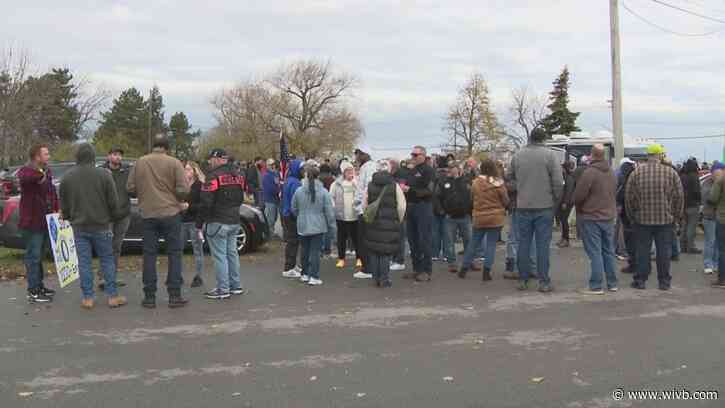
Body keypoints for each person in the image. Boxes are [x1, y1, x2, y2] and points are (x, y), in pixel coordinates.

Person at [60, 143, 127, 309]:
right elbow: (113, 201)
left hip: (79, 226)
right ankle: (112, 296)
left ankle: (88, 297)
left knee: (84, 262)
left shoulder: (67, 177)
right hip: (102, 225)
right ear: (93, 157)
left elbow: (64, 203)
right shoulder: (104, 175)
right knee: (107, 260)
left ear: (77, 157)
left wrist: (68, 216)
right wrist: (113, 216)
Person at [127, 134, 190, 309]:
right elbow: (184, 189)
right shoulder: (174, 163)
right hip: (171, 213)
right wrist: (176, 197)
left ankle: (149, 296)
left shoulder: (140, 162)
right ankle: (174, 295)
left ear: (153, 145)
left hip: (148, 213)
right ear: (167, 147)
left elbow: (130, 188)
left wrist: (145, 193)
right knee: (174, 254)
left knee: (149, 255)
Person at [506, 127, 563, 292]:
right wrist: (554, 200)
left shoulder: (517, 155)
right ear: (543, 139)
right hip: (544, 206)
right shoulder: (550, 155)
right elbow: (558, 182)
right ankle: (544, 282)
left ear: (530, 138)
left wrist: (521, 188)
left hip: (523, 206)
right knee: (543, 246)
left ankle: (523, 280)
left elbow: (508, 179)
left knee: (523, 244)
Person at [625, 144, 684, 290]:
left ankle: (640, 280)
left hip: (642, 220)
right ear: (660, 156)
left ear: (648, 156)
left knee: (642, 251)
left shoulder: (636, 173)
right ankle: (664, 282)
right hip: (665, 220)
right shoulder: (671, 173)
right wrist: (676, 217)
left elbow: (629, 198)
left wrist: (633, 216)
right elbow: (679, 197)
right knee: (663, 251)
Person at [197, 149, 246, 300]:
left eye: (211, 159)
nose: (209, 162)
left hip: (217, 220)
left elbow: (206, 202)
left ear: (218, 159)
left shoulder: (213, 176)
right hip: (234, 220)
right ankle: (235, 286)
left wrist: (199, 223)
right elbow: (240, 198)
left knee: (220, 257)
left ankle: (222, 289)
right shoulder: (238, 176)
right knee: (232, 254)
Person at [573, 144, 618, 295]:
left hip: (591, 217)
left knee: (595, 252)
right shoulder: (611, 172)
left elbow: (579, 195)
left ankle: (596, 285)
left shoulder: (590, 173)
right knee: (608, 251)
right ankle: (612, 283)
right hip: (608, 216)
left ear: (592, 155)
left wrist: (578, 206)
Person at [18, 144, 59, 303]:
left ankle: (40, 286)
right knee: (33, 256)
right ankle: (33, 291)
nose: (48, 156)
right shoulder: (27, 171)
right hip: (31, 222)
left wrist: (56, 209)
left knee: (39, 256)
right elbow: (25, 177)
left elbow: (51, 193)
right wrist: (40, 175)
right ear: (37, 156)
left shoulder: (46, 171)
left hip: (44, 221)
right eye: (46, 154)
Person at [459, 159, 509, 280]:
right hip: (495, 217)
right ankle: (486, 273)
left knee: (473, 243)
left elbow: (471, 199)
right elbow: (506, 200)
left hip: (479, 217)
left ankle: (463, 269)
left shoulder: (476, 183)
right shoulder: (498, 183)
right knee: (491, 245)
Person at [292, 161, 336, 286]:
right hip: (318, 226)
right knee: (315, 252)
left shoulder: (299, 191)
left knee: (304, 250)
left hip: (302, 224)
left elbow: (294, 208)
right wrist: (332, 229)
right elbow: (329, 212)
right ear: (318, 176)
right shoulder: (323, 192)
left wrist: (300, 216)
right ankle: (314, 276)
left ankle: (305, 274)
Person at [363, 160, 407, 287]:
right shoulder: (394, 186)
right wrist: (398, 219)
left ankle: (375, 278)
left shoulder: (370, 185)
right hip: (390, 223)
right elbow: (401, 206)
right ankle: (384, 279)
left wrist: (368, 216)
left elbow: (365, 204)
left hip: (373, 222)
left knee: (374, 251)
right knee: (385, 252)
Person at [99, 146, 131, 291]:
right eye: (115, 154)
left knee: (117, 247)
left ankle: (112, 276)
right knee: (106, 246)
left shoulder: (126, 171)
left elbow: (132, 189)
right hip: (106, 216)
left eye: (120, 155)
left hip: (123, 214)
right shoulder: (101, 171)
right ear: (108, 156)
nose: (117, 157)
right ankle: (102, 277)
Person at [402, 145, 435, 282]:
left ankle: (426, 270)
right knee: (412, 239)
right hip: (410, 207)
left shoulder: (429, 170)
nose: (413, 157)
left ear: (423, 156)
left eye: (416, 155)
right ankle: (417, 269)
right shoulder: (411, 170)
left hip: (423, 207)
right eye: (412, 154)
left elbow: (429, 191)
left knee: (424, 239)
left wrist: (410, 190)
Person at [438, 162, 472, 274]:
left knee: (469, 240)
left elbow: (472, 196)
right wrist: (442, 210)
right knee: (449, 241)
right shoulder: (443, 182)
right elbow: (438, 197)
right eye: (451, 168)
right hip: (450, 216)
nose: (453, 170)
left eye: (455, 168)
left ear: (459, 169)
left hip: (465, 216)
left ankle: (469, 262)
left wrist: (471, 210)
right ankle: (452, 263)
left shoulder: (467, 180)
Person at [330, 161, 361, 269]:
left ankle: (359, 258)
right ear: (343, 172)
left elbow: (361, 195)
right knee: (341, 238)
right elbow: (331, 197)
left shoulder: (357, 182)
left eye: (351, 171)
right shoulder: (336, 184)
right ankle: (341, 259)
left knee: (357, 238)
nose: (350, 174)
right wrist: (334, 208)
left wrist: (355, 184)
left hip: (355, 215)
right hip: (341, 216)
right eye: (348, 171)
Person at [354, 148, 377, 279]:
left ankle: (367, 268)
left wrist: (360, 204)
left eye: (358, 154)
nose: (356, 158)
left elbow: (367, 188)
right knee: (364, 239)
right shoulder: (365, 167)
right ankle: (368, 266)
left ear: (364, 155)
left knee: (364, 240)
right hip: (364, 209)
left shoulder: (369, 168)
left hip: (366, 210)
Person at [182, 161, 206, 288]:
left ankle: (199, 276)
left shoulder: (199, 185)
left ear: (195, 171)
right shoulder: (183, 185)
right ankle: (177, 275)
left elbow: (203, 205)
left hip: (194, 221)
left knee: (197, 250)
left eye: (188, 169)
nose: (186, 172)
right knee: (177, 248)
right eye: (185, 169)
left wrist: (189, 206)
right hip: (182, 221)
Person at [281, 159, 305, 278]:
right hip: (291, 215)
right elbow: (296, 202)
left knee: (292, 241)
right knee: (293, 241)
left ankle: (291, 265)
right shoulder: (295, 183)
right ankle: (289, 267)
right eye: (301, 169)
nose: (303, 171)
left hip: (287, 214)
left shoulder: (289, 180)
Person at [702, 162, 724, 275]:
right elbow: (708, 198)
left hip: (720, 217)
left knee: (717, 242)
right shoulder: (707, 183)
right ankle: (707, 264)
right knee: (710, 241)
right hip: (709, 216)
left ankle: (715, 264)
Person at [617, 159, 638, 274]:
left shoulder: (626, 183)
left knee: (630, 242)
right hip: (638, 216)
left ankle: (634, 264)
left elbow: (621, 197)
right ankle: (640, 264)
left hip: (628, 216)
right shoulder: (637, 180)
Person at [707, 165, 725, 288]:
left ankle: (722, 280)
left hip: (723, 218)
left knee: (722, 250)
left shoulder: (721, 180)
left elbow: (712, 198)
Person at [679, 158, 702, 254]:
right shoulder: (694, 176)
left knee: (684, 226)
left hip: (684, 204)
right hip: (693, 205)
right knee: (691, 227)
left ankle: (682, 247)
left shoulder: (682, 176)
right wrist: (699, 201)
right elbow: (697, 191)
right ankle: (690, 247)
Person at [391, 159, 410, 271]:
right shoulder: (391, 176)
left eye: (391, 164)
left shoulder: (401, 174)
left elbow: (402, 189)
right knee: (393, 236)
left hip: (401, 210)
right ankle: (394, 259)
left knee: (399, 236)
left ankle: (399, 260)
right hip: (393, 210)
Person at [431, 163, 449, 262]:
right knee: (446, 234)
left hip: (435, 210)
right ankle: (446, 254)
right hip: (446, 211)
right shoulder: (448, 180)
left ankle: (435, 254)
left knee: (435, 233)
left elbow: (433, 196)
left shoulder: (434, 180)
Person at [556, 161, 576, 248]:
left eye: (562, 168)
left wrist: (565, 202)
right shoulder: (566, 177)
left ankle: (566, 239)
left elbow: (568, 191)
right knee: (563, 220)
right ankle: (563, 238)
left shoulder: (569, 178)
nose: (561, 170)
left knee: (564, 221)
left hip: (567, 203)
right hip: (565, 202)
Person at [262, 159, 281, 238]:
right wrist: (279, 190)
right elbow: (270, 188)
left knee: (275, 217)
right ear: (267, 166)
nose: (273, 166)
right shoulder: (266, 175)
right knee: (270, 218)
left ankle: (271, 232)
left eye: (273, 165)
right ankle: (269, 234)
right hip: (270, 199)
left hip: (276, 199)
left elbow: (278, 184)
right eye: (271, 165)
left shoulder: (276, 174)